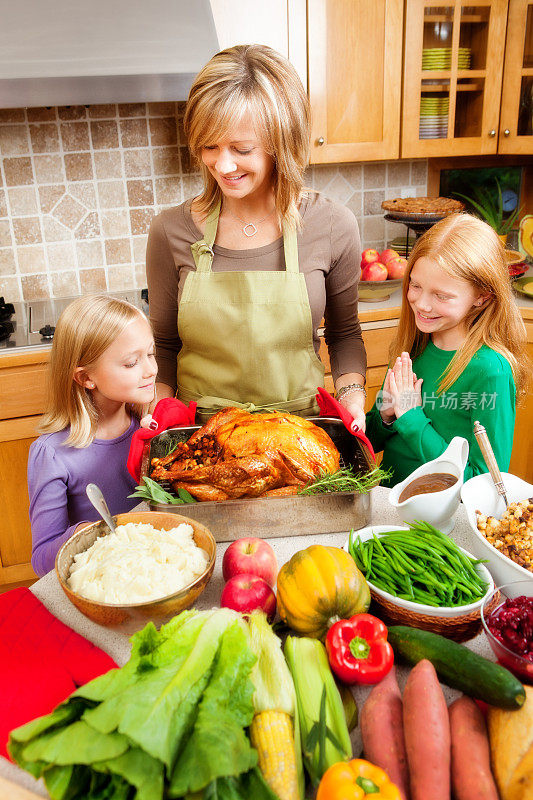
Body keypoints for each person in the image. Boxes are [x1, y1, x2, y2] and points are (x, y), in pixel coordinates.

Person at [146, 44, 367, 428]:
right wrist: (158, 413)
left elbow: (344, 333)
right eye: (209, 146)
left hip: (302, 435)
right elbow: (164, 346)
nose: (223, 164)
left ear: (282, 143)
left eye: (242, 148)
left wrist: (351, 396)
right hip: (201, 439)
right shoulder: (170, 231)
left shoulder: (331, 225)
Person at [366, 213, 530, 487]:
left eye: (441, 296)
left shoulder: (490, 371)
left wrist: (410, 418)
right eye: (415, 286)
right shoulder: (415, 346)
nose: (422, 304)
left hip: (441, 525)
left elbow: (487, 484)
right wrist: (385, 415)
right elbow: (371, 440)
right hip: (387, 506)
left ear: (482, 296)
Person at [28, 295, 158, 575]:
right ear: (86, 377)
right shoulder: (52, 455)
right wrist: (86, 534)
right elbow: (40, 562)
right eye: (131, 363)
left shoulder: (150, 429)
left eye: (150, 354)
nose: (151, 370)